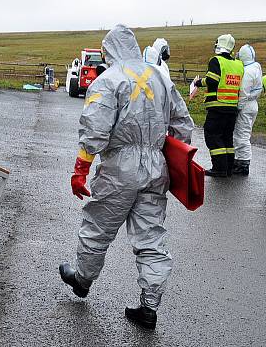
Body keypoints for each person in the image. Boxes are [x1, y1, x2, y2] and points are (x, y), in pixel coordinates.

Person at [59, 24, 194, 330]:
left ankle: (82, 279)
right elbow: (183, 124)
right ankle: (149, 306)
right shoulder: (160, 77)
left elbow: (95, 130)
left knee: (98, 227)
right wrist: (167, 154)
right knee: (151, 237)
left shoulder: (108, 80)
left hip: (120, 166)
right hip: (156, 165)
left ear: (110, 50)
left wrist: (80, 170)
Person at [192, 34, 244, 177]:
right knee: (227, 137)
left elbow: (213, 80)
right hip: (232, 107)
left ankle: (219, 168)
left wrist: (198, 82)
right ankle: (228, 168)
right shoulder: (238, 64)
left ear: (219, 45)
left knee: (213, 135)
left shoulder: (216, 61)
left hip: (218, 106)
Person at [232, 44, 262, 176]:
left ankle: (243, 164)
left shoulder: (247, 71)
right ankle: (239, 160)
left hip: (245, 105)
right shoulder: (256, 67)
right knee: (244, 134)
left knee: (241, 136)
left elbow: (243, 92)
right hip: (253, 104)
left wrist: (238, 108)